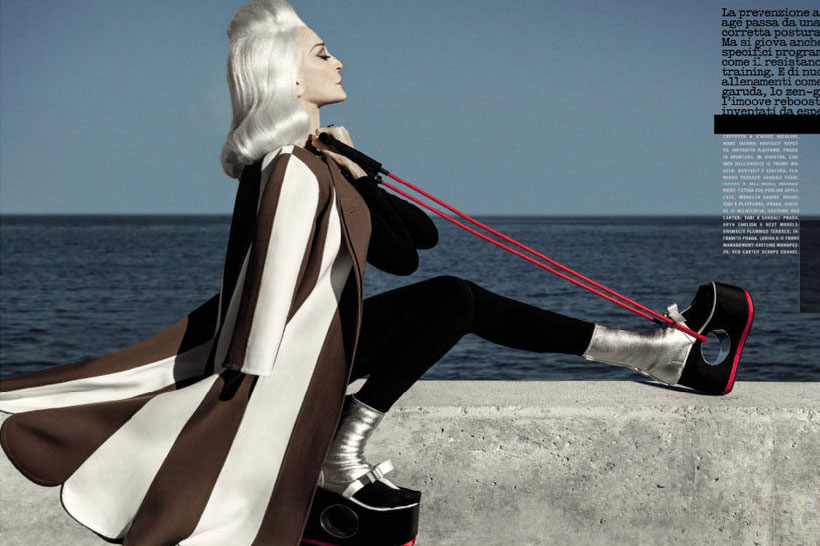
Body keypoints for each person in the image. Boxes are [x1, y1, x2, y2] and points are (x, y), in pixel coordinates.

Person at [0, 0, 752, 544]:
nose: (339, 62)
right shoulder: (285, 170)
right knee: (453, 301)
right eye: (322, 53)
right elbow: (267, 300)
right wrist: (253, 411)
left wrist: (362, 170)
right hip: (294, 357)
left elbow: (410, 246)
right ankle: (346, 448)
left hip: (326, 336)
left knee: (453, 299)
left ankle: (655, 353)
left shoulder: (319, 162)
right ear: (287, 77)